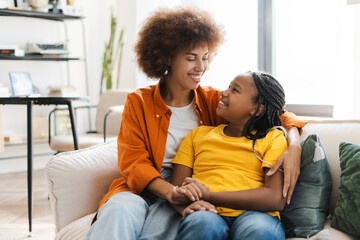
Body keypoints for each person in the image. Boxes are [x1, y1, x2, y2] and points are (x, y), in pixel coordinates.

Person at [85, 7, 306, 240]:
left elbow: (274, 112)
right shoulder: (138, 101)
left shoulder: (213, 100)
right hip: (146, 184)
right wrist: (171, 191)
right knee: (118, 210)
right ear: (167, 57)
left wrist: (294, 145)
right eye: (191, 58)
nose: (201, 67)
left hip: (192, 185)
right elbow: (133, 162)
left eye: (206, 57)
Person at [171, 71, 289, 240]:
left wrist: (209, 195)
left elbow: (275, 198)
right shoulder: (198, 135)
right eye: (228, 86)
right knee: (201, 225)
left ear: (256, 109)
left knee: (260, 231)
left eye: (235, 90)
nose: (223, 92)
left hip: (256, 215)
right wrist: (186, 198)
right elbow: (176, 189)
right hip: (206, 212)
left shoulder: (272, 138)